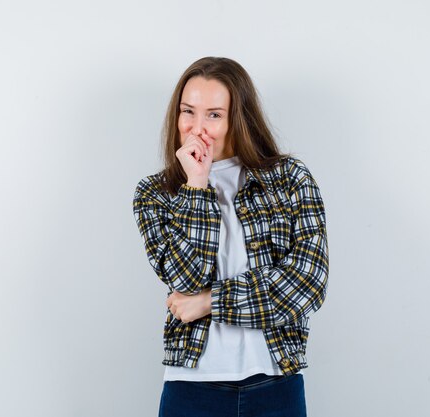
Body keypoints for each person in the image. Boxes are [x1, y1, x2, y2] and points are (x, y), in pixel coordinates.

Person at [132, 57, 329, 417]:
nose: (197, 127)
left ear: (238, 118)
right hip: (191, 387)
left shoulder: (290, 180)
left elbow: (307, 284)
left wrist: (210, 302)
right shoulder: (155, 194)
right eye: (188, 111)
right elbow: (185, 279)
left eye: (214, 115)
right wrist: (197, 184)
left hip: (275, 383)